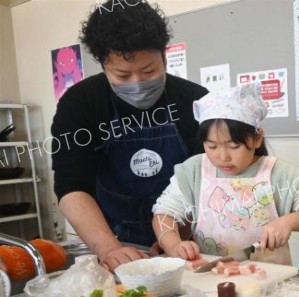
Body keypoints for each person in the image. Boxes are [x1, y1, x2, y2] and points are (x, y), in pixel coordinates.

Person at [51, 1, 208, 271]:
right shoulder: (81, 103)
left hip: (188, 244)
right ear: (103, 64)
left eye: (149, 71)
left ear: (164, 55)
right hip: (116, 241)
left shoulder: (195, 101)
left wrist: (175, 237)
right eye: (122, 74)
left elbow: (214, 179)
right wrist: (108, 247)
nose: (137, 83)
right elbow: (71, 186)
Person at [152, 82, 299, 265]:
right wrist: (173, 245)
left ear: (257, 138)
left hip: (270, 279)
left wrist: (288, 222)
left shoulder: (279, 173)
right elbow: (164, 214)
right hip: (209, 276)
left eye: (234, 146)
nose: (223, 157)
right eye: (212, 146)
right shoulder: (193, 171)